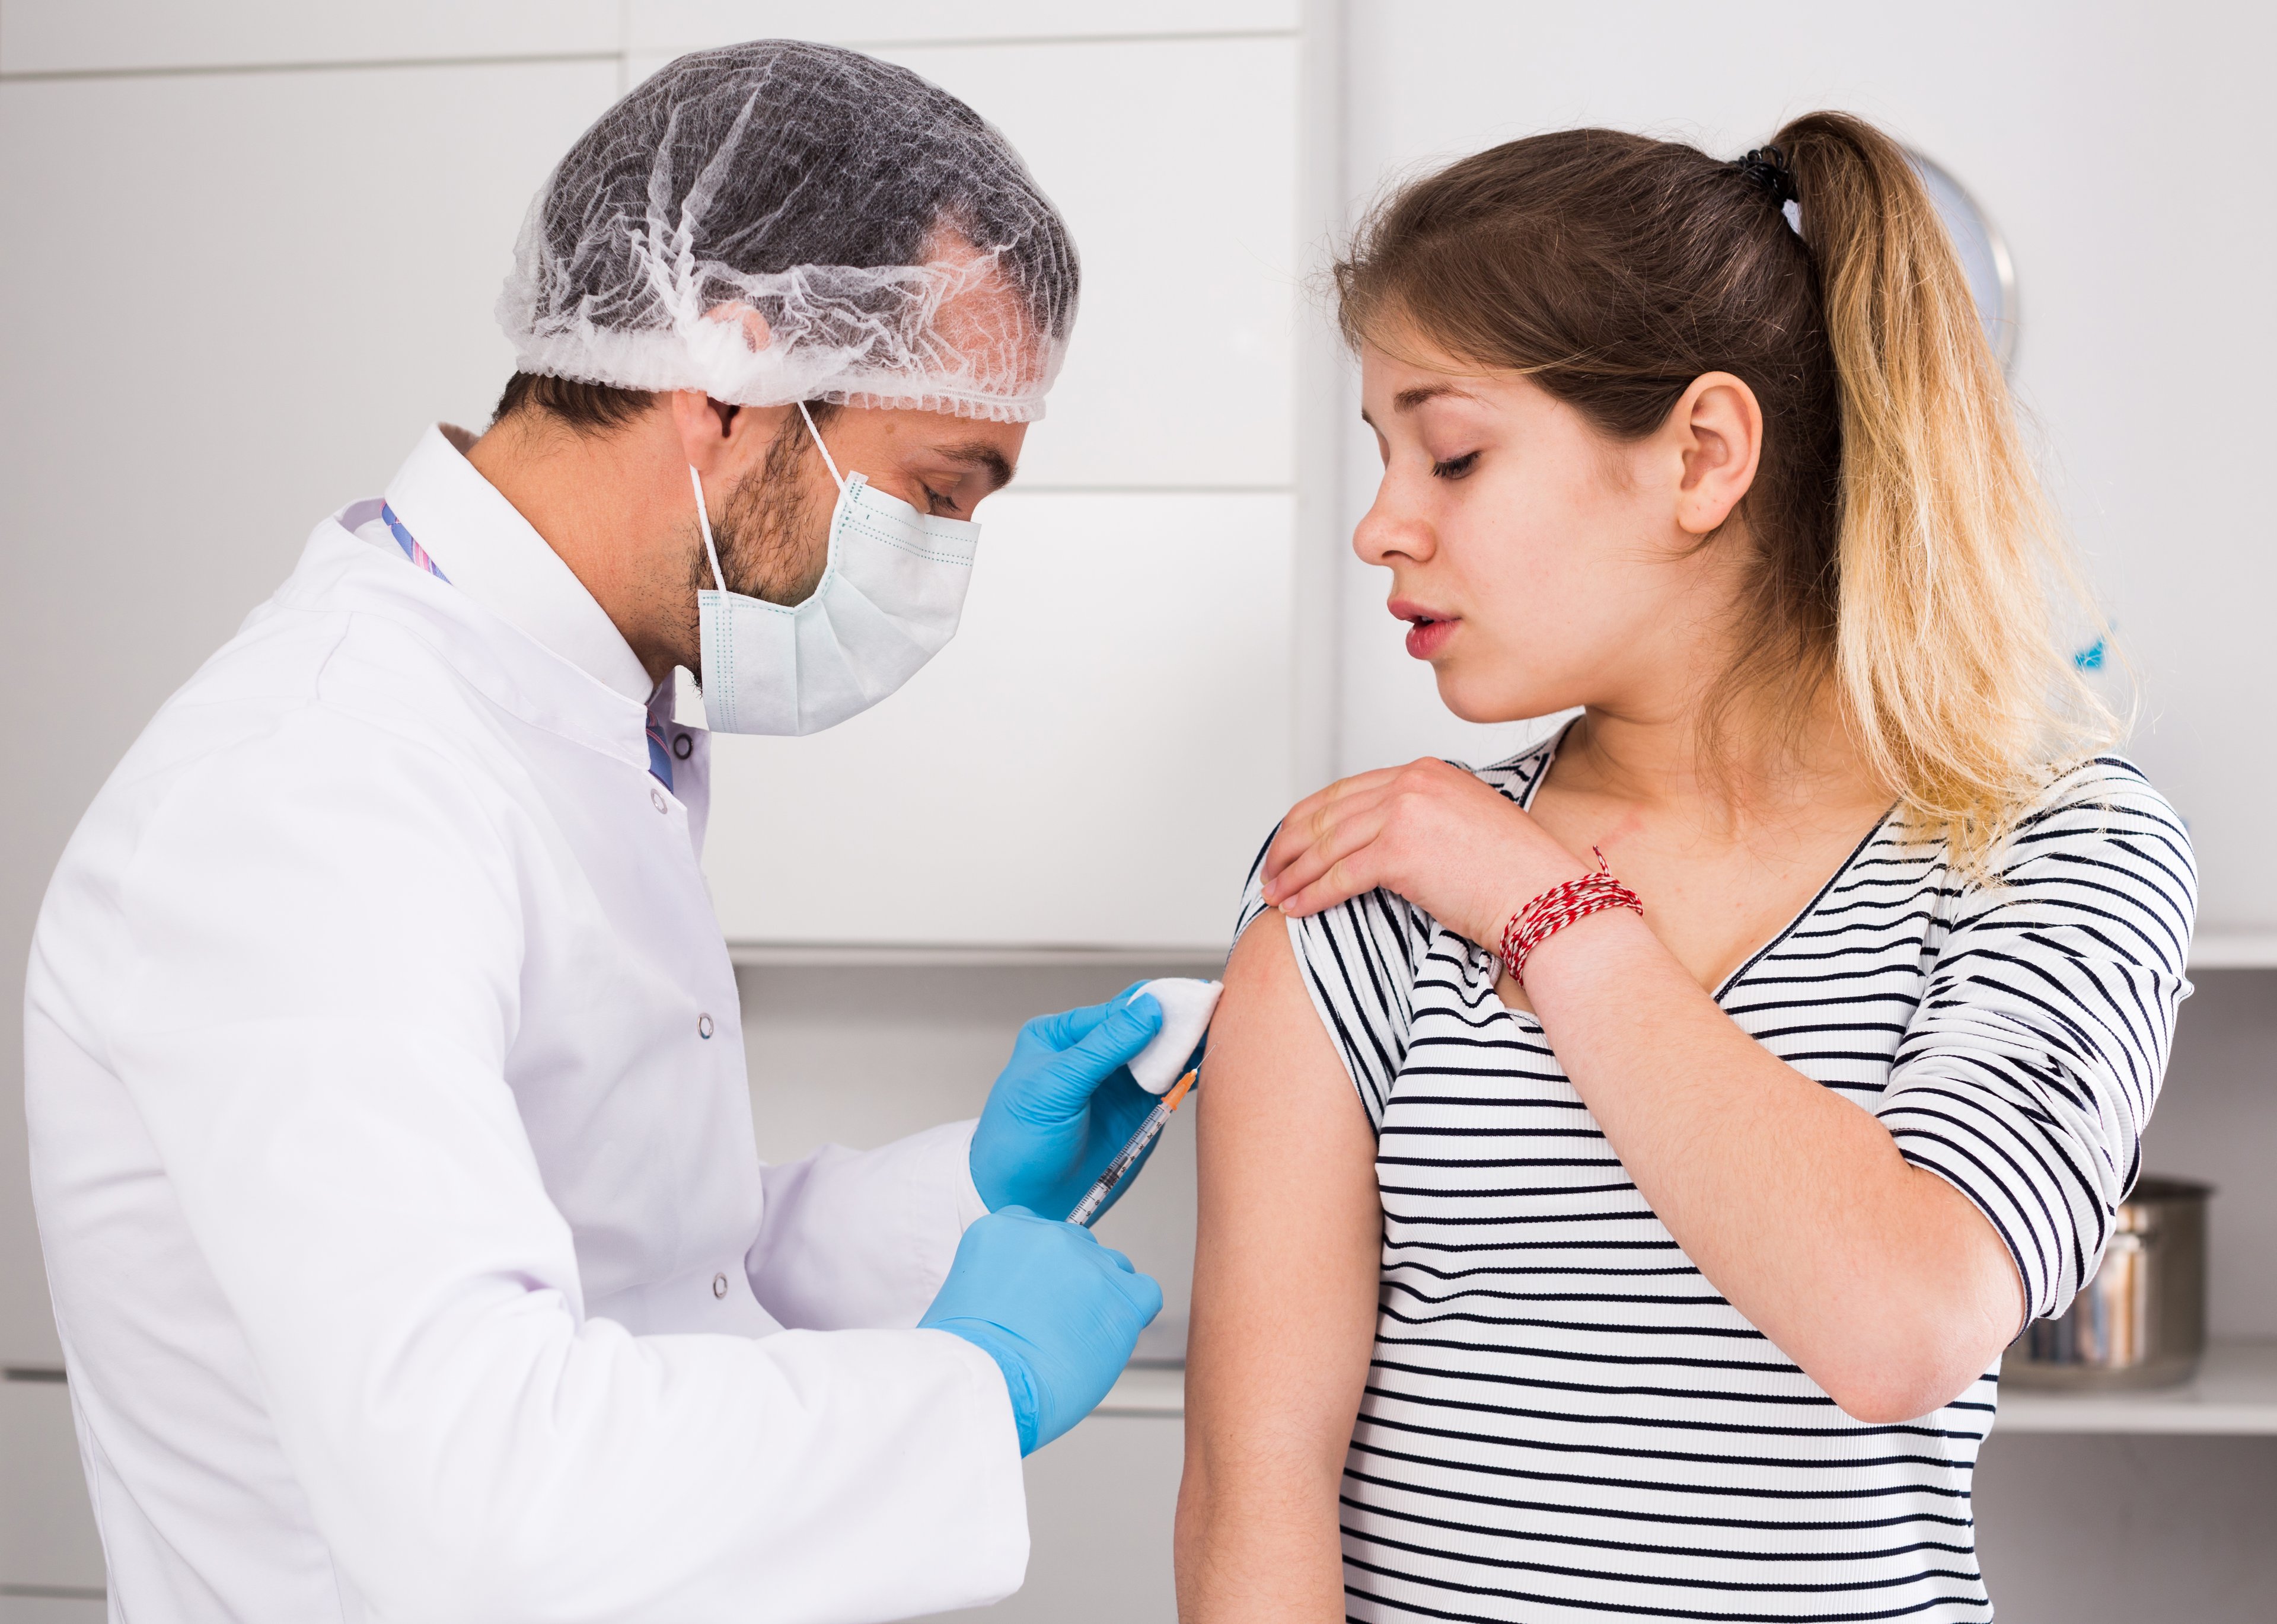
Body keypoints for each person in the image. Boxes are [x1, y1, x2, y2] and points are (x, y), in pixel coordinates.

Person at [24, 42, 1173, 1624]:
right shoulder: (319, 793)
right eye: (940, 486)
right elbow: (479, 1493)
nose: (945, 563)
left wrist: (970, 1195)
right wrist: (970, 1382)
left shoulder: (569, 716)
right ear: (728, 374)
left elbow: (643, 1268)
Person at [1176, 113, 2195, 1622]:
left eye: (1451, 451)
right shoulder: (1367, 888)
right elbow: (1253, 1503)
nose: (1382, 525)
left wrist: (1550, 914)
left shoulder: (2052, 846)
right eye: (1384, 455)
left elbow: (1899, 1318)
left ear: (1703, 454)